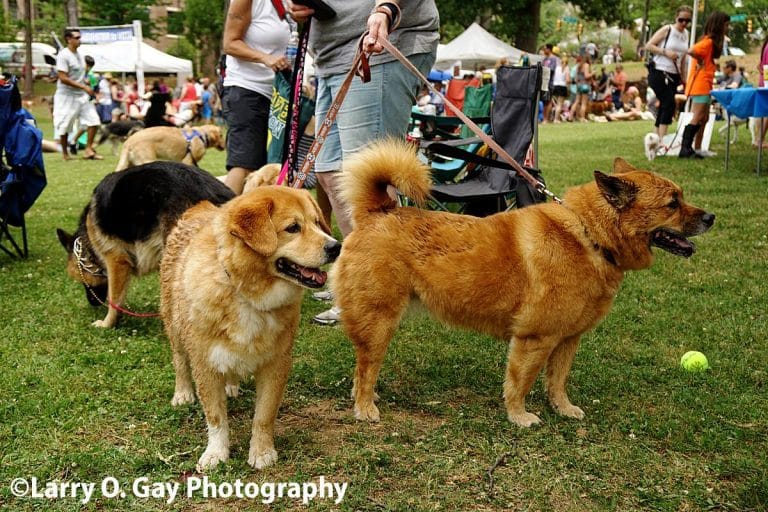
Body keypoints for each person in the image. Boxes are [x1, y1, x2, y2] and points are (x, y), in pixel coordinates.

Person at [288, 0, 439, 325]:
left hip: (380, 46)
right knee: (330, 173)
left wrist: (385, 9)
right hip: (333, 59)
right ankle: (360, 274)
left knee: (368, 182)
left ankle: (377, 288)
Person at [222, 0, 291, 194]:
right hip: (246, 89)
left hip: (277, 94)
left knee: (270, 167)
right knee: (245, 164)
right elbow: (229, 43)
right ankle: (220, 221)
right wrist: (265, 58)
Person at [679, 11, 730, 158]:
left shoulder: (709, 43)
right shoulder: (707, 42)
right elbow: (691, 50)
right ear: (719, 26)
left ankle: (698, 148)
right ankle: (686, 148)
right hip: (700, 85)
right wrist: (700, 61)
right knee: (698, 116)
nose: (727, 28)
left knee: (705, 117)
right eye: (726, 25)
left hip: (704, 85)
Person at [53, 28, 103, 160]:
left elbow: (80, 73)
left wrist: (85, 82)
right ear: (69, 39)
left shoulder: (80, 56)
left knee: (94, 121)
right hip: (66, 96)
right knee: (65, 125)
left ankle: (88, 150)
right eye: (77, 37)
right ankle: (65, 153)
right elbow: (63, 78)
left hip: (81, 95)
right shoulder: (63, 55)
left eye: (80, 37)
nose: (79, 40)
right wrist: (84, 86)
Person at [645, 6, 692, 144]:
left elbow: (683, 58)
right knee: (669, 103)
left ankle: (656, 137)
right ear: (676, 18)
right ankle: (662, 139)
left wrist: (684, 78)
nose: (684, 23)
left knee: (665, 105)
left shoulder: (686, 34)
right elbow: (649, 45)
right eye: (681, 20)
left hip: (674, 74)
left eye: (687, 21)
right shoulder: (668, 29)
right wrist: (666, 52)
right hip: (659, 71)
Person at [551, 54, 569, 123]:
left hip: (555, 86)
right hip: (562, 86)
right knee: (560, 104)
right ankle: (556, 119)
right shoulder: (566, 68)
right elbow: (567, 80)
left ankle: (555, 117)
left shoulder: (557, 67)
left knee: (556, 104)